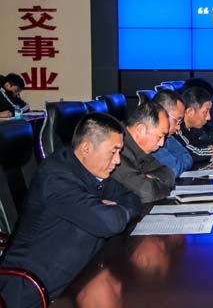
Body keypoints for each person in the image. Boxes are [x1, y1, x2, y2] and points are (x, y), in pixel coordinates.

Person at [0, 113, 140, 307]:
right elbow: (112, 223)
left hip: (81, 277)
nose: (117, 160)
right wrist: (114, 210)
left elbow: (133, 199)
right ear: (86, 148)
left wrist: (114, 209)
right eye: (113, 152)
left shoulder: (89, 169)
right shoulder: (56, 178)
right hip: (35, 291)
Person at [110, 102, 175, 203]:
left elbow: (169, 174)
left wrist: (150, 178)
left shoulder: (140, 149)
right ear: (140, 130)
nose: (161, 143)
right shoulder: (116, 150)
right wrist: (164, 187)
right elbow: (146, 192)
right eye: (159, 137)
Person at [151, 90, 193, 177]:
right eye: (177, 120)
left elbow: (188, 157)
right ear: (161, 114)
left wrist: (178, 164)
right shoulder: (151, 138)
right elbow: (173, 169)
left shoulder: (167, 137)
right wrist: (179, 164)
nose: (178, 127)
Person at [176, 87, 213, 164]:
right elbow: (190, 153)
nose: (209, 117)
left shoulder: (195, 130)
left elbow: (206, 143)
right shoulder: (177, 130)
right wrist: (209, 152)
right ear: (190, 111)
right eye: (205, 112)